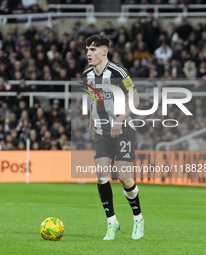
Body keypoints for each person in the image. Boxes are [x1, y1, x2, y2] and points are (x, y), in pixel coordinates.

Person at [82, 34, 144, 240]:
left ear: (104, 52)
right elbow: (93, 99)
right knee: (101, 174)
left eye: (92, 49)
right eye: (87, 49)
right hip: (102, 131)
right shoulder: (87, 75)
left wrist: (120, 119)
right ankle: (112, 222)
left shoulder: (118, 72)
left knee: (123, 177)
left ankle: (138, 219)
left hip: (123, 128)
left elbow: (134, 98)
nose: (88, 53)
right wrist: (91, 121)